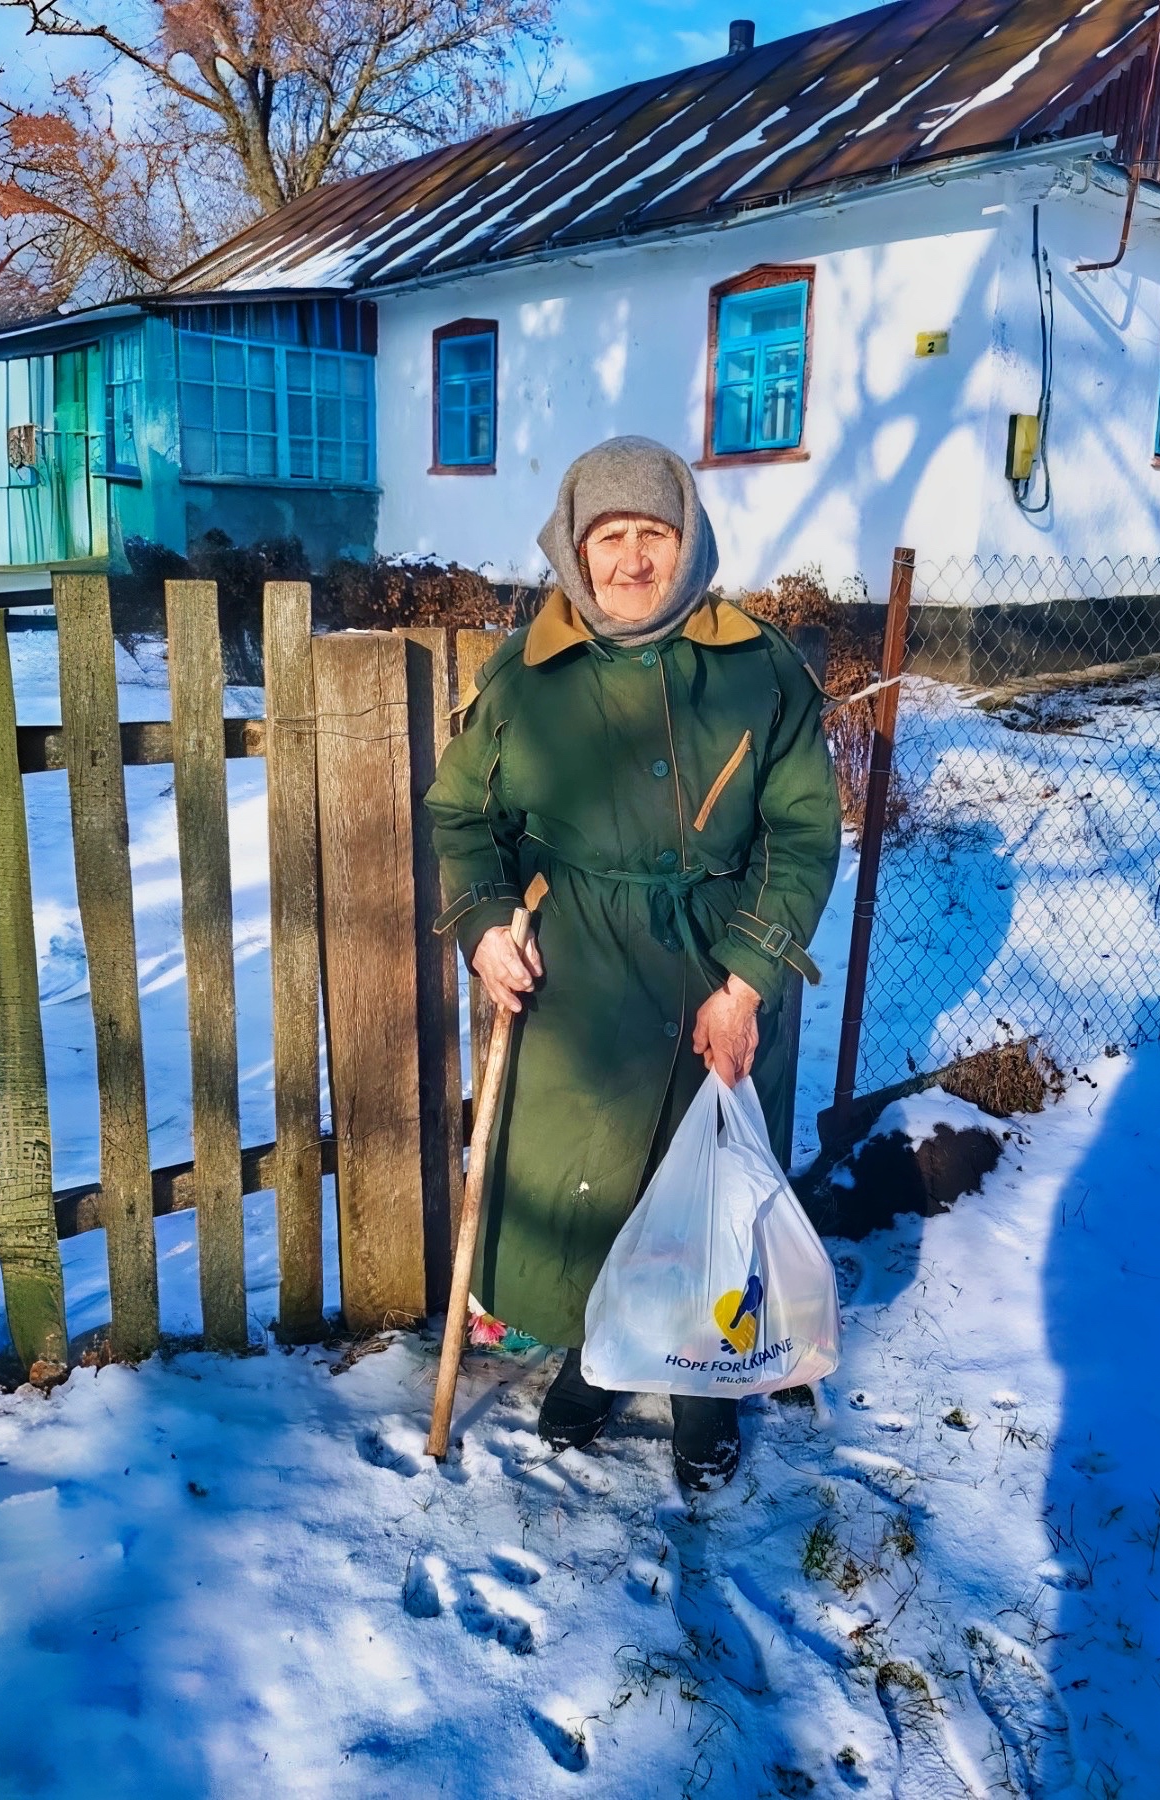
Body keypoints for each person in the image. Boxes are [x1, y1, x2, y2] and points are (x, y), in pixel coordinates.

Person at [424, 436, 840, 1490]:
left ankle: (707, 1385)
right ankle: (596, 1358)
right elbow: (464, 814)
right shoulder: (527, 675)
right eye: (611, 536)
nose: (632, 559)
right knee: (592, 1183)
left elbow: (802, 832)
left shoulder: (759, 670)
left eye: (653, 534)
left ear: (686, 540)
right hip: (584, 976)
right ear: (575, 545)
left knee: (712, 1185)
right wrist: (482, 927)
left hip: (723, 955)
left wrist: (747, 981)